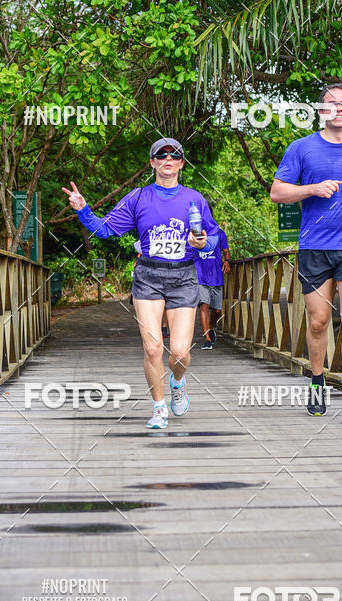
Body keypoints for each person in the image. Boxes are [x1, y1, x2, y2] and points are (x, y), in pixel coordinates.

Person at [62, 137, 219, 429]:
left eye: (174, 155)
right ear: (152, 162)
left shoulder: (194, 198)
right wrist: (83, 209)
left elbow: (213, 236)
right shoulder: (138, 197)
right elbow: (105, 230)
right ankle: (159, 407)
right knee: (152, 348)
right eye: (161, 155)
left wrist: (201, 241)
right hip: (148, 276)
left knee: (181, 353)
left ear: (182, 163)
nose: (168, 159)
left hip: (183, 277)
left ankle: (178, 380)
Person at [270, 84, 342, 421]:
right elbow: (277, 192)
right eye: (329, 104)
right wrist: (312, 189)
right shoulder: (302, 148)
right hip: (315, 247)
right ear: (321, 112)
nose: (337, 109)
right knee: (319, 322)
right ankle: (317, 381)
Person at [196, 227, 230, 349]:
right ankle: (207, 339)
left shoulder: (220, 234)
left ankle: (210, 327)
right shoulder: (195, 234)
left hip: (216, 276)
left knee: (217, 311)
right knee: (204, 306)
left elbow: (226, 251)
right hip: (200, 276)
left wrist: (227, 261)